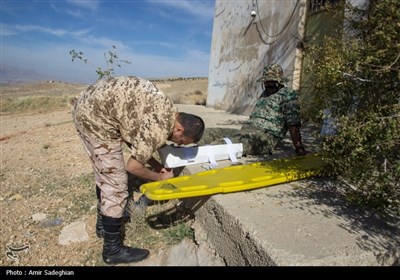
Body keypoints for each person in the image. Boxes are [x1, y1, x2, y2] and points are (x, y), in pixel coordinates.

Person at [72, 76, 205, 265]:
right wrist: (157, 178)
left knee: (106, 172)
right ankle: (112, 250)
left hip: (88, 107)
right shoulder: (160, 128)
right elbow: (133, 166)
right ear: (179, 128)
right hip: (96, 119)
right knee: (116, 181)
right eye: (181, 141)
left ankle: (103, 225)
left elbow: (136, 143)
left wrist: (158, 167)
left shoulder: (166, 109)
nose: (175, 143)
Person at [197, 63, 306, 156]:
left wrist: (299, 147)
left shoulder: (288, 95)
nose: (268, 84)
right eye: (266, 81)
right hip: (247, 130)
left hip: (266, 137)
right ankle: (188, 149)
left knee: (230, 143)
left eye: (272, 81)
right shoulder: (265, 94)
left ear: (279, 81)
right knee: (210, 132)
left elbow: (293, 124)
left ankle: (197, 155)